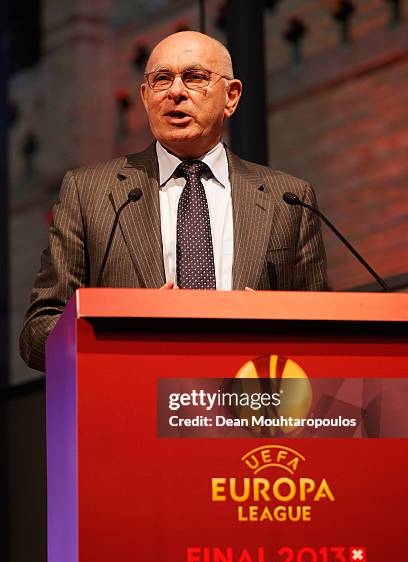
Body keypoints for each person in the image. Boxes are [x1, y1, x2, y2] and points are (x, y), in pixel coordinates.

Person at [20, 31, 329, 372]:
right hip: (131, 409)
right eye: (162, 80)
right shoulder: (89, 192)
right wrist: (127, 327)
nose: (176, 92)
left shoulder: (288, 199)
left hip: (253, 408)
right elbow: (38, 333)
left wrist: (274, 324)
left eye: (195, 78)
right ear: (145, 96)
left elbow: (323, 330)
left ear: (231, 97)